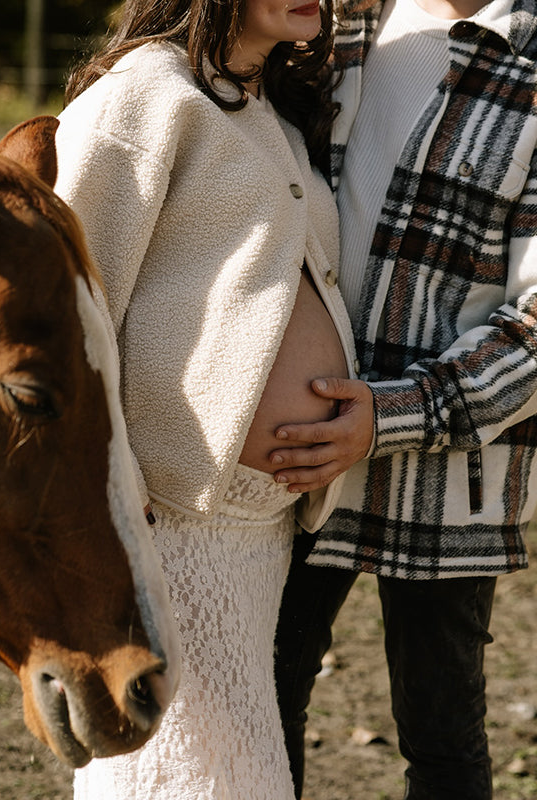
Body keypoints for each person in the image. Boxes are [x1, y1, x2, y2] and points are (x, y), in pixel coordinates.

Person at [53, 1, 358, 798]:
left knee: (226, 771)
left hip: (257, 529)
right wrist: (106, 504)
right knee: (183, 776)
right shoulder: (141, 98)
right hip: (168, 523)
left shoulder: (268, 109)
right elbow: (74, 320)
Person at [272, 0, 537, 797]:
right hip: (294, 441)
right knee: (260, 692)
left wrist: (392, 416)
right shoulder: (330, 23)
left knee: (441, 731)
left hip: (449, 473)